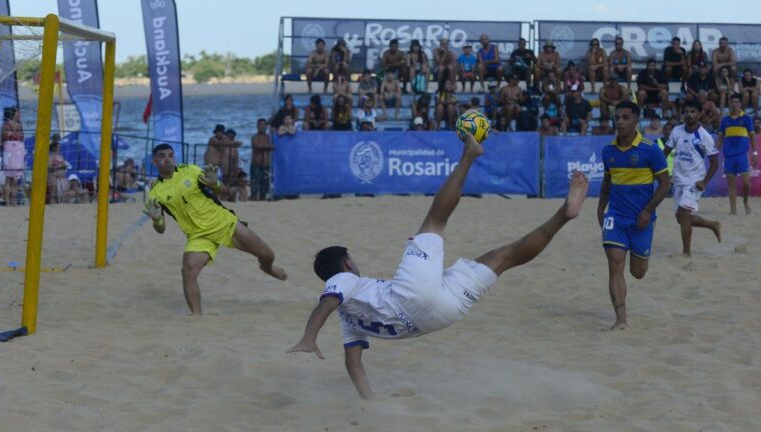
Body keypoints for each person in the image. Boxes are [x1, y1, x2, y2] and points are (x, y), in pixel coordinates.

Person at [287, 133, 590, 399]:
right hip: (411, 296)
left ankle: (565, 214)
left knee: (503, 257)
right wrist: (308, 337)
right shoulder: (343, 280)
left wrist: (369, 400)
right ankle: (469, 155)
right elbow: (326, 302)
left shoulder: (348, 319)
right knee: (435, 220)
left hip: (439, 317)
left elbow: (353, 363)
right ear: (346, 262)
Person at [143, 143, 287, 315]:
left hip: (223, 222)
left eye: (170, 155)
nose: (167, 159)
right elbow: (161, 229)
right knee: (188, 272)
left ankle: (267, 268)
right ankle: (197, 317)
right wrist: (157, 220)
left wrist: (215, 182)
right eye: (162, 156)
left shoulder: (191, 170)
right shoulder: (155, 193)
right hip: (198, 236)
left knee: (267, 255)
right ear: (154, 160)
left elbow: (220, 190)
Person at [598, 100, 670, 330]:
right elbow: (608, 182)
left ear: (637, 121)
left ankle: (622, 315)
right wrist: (601, 208)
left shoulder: (650, 150)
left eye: (625, 117)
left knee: (638, 272)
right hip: (616, 217)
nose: (620, 121)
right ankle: (621, 320)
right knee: (614, 265)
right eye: (617, 117)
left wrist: (648, 210)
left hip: (642, 219)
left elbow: (665, 183)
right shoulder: (608, 150)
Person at [662, 100, 721, 257]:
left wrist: (704, 182)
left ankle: (686, 253)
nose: (689, 115)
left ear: (699, 114)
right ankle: (712, 225)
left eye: (693, 112)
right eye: (686, 111)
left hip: (695, 181)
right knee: (681, 218)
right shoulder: (676, 130)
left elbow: (715, 163)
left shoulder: (704, 136)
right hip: (678, 180)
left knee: (683, 214)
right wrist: (660, 174)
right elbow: (665, 152)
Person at [717, 93, 758, 215]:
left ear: (740, 104)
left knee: (746, 182)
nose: (734, 104)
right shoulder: (725, 120)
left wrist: (755, 152)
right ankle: (733, 210)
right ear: (730, 104)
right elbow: (720, 139)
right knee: (731, 183)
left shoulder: (746, 119)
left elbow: (752, 137)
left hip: (741, 155)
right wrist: (714, 152)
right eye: (732, 102)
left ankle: (745, 201)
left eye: (736, 102)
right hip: (729, 156)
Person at [0, 106, 25, 206]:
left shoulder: (17, 125)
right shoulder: (9, 125)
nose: (20, 115)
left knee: (14, 177)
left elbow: (3, 139)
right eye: (18, 113)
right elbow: (4, 138)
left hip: (15, 150)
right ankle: (9, 201)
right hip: (13, 149)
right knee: (10, 177)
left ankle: (11, 201)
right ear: (14, 113)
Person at [250, 118, 273, 201]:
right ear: (257, 126)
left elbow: (273, 146)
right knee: (254, 189)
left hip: (266, 166)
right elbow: (257, 145)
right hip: (256, 166)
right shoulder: (254, 137)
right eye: (260, 125)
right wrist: (269, 146)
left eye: (264, 125)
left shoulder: (269, 137)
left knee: (264, 190)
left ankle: (262, 203)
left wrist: (268, 146)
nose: (262, 127)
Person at [47, 134, 70, 204]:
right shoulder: (50, 156)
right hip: (52, 175)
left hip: (61, 176)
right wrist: (59, 167)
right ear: (54, 148)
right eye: (58, 147)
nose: (59, 148)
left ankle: (63, 202)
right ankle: (52, 202)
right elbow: (49, 167)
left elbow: (64, 165)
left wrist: (63, 166)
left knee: (67, 184)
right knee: (53, 188)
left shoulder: (60, 156)